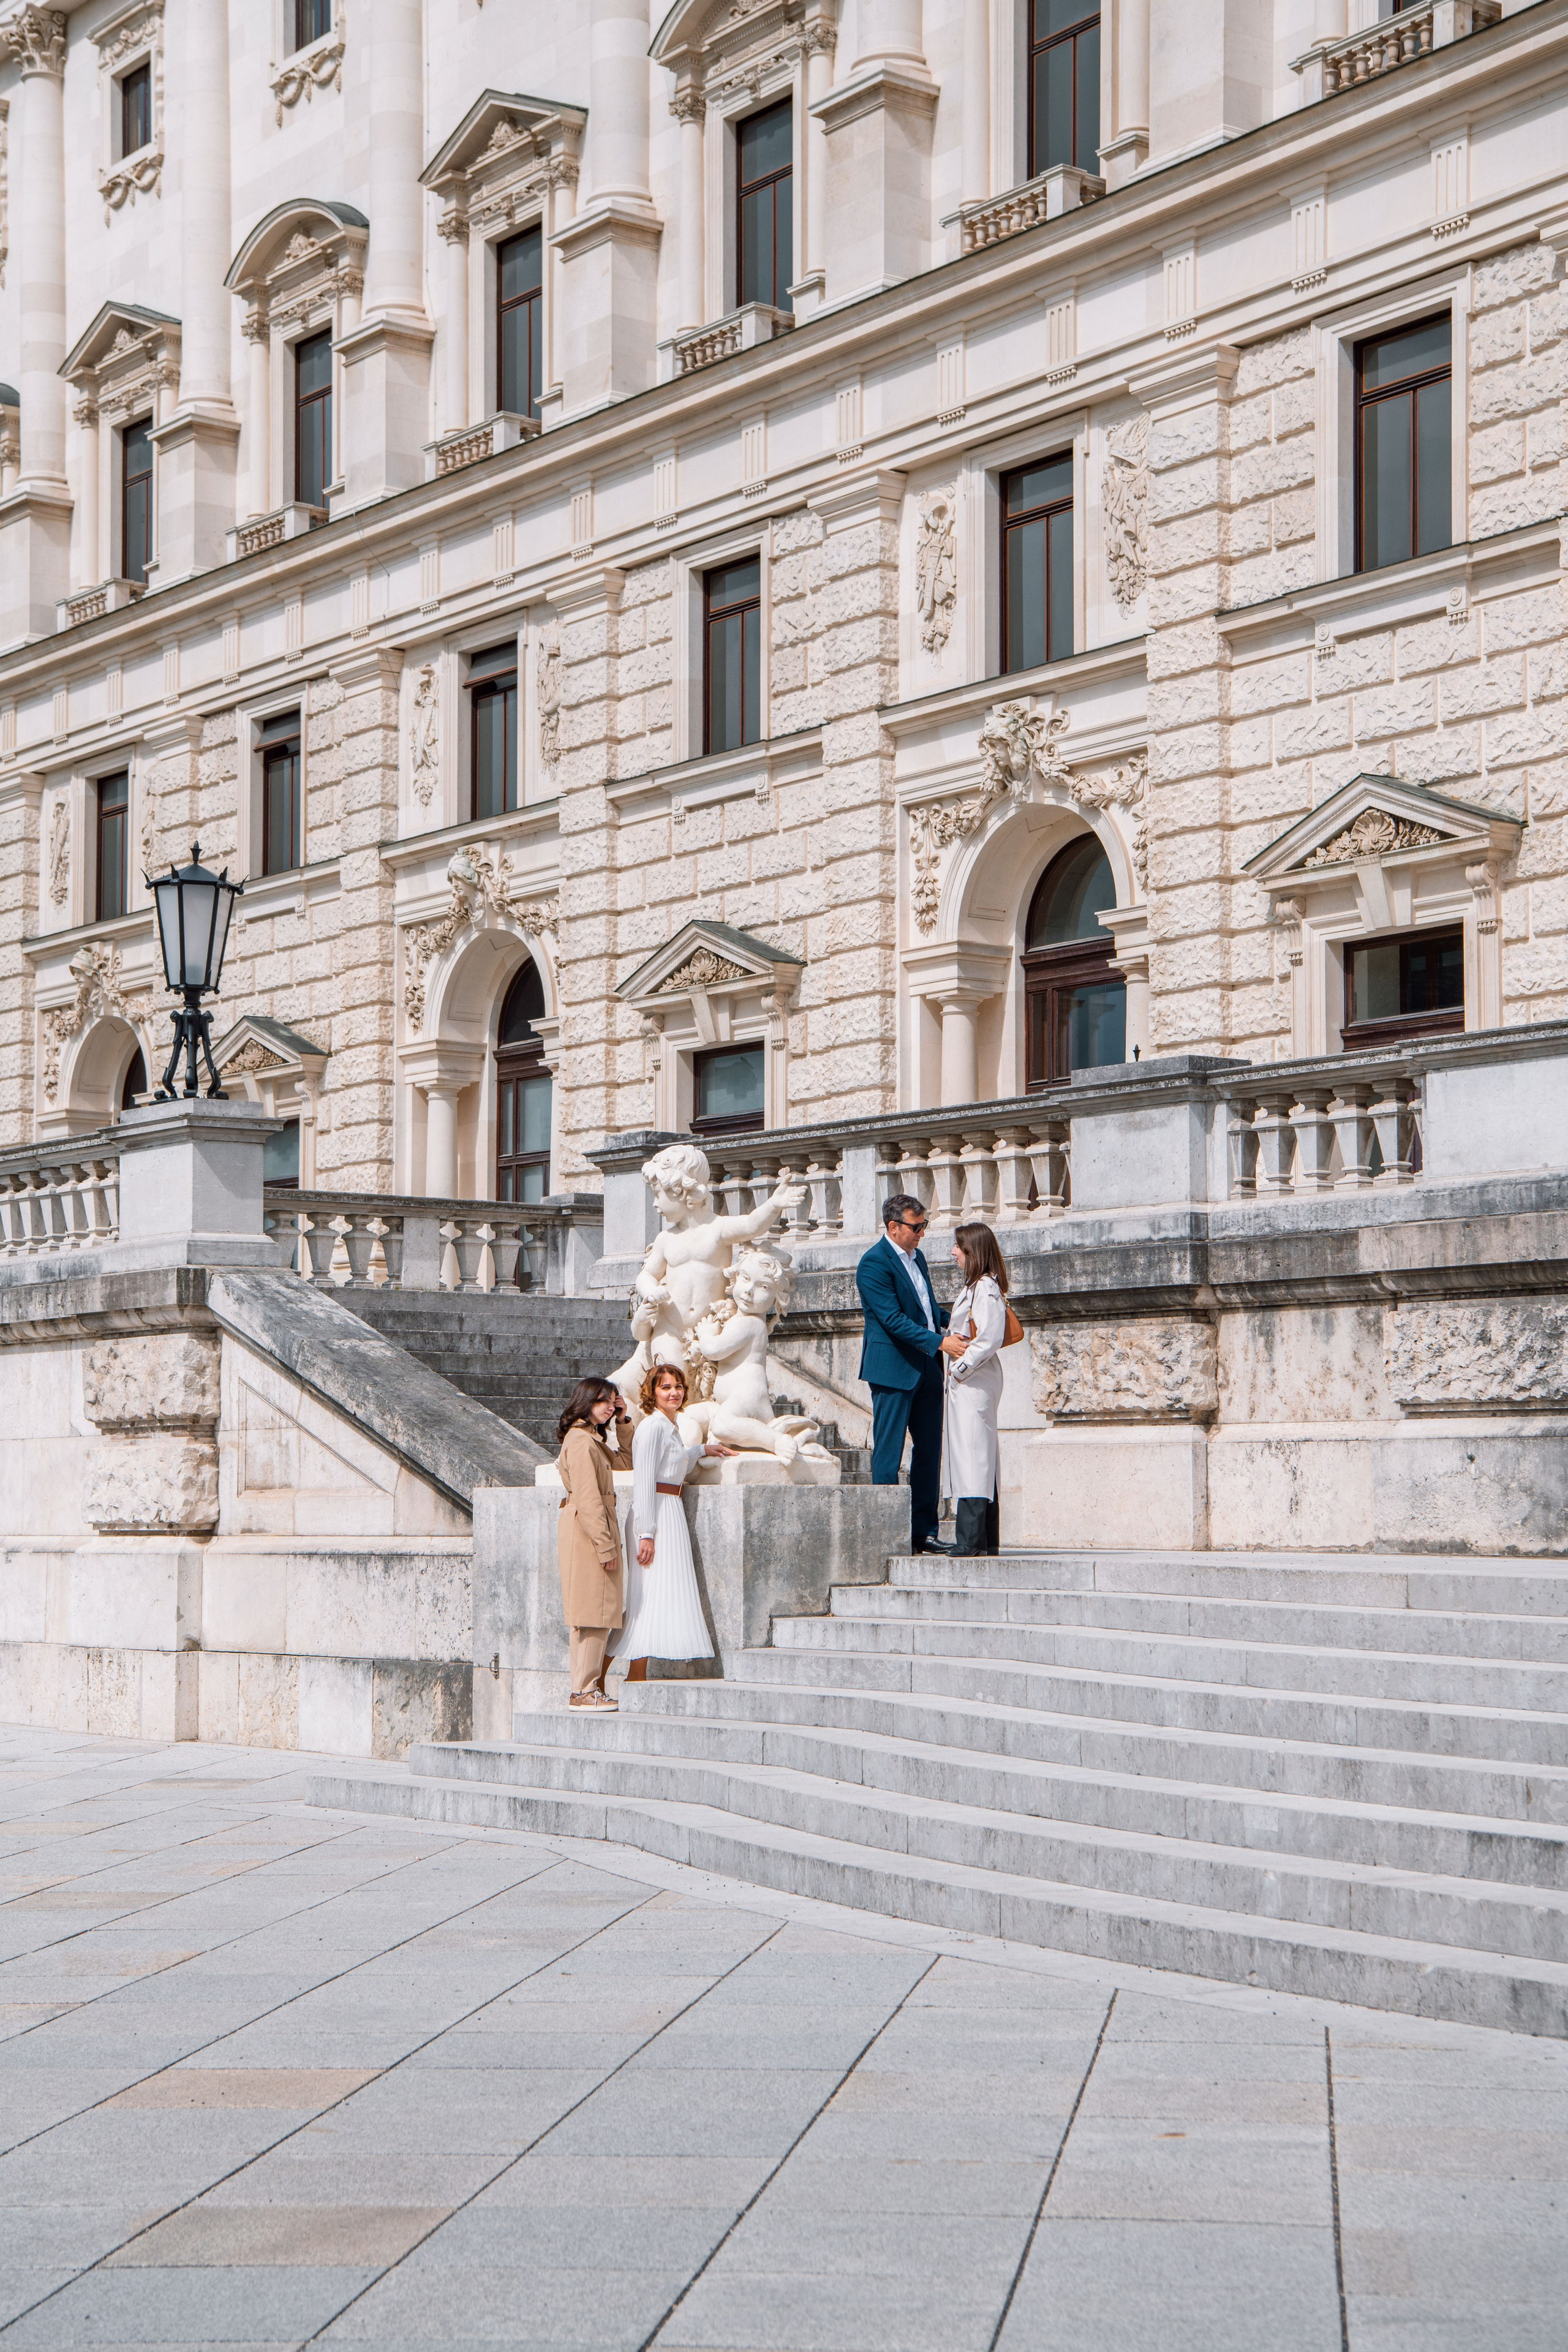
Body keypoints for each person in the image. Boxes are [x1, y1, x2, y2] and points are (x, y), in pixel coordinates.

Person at [612, 1363, 733, 1684]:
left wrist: (700, 1450)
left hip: (670, 1512)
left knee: (655, 1596)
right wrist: (646, 1533)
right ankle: (615, 1676)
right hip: (655, 1515)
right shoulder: (652, 1427)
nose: (674, 1393)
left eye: (678, 1386)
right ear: (652, 1392)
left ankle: (632, 1677)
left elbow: (673, 1465)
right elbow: (644, 1481)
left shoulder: (670, 1426)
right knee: (645, 1597)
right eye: (665, 1387)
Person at [856, 1193, 955, 1556]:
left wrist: (959, 1321)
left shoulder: (918, 1258)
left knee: (929, 1450)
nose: (922, 1233)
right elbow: (893, 1319)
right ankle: (886, 1534)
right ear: (894, 1227)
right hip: (893, 1368)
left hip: (928, 1365)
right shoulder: (873, 1263)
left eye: (924, 1225)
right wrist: (939, 1342)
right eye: (917, 1227)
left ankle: (924, 1533)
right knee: (889, 1452)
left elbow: (927, 1310)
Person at [554, 1376, 627, 1711]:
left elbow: (625, 1463)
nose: (610, 1407)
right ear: (586, 1402)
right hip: (589, 1531)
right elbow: (588, 1499)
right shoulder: (582, 1441)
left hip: (590, 1528)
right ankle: (584, 1690)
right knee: (593, 1610)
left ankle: (585, 1688)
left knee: (594, 1609)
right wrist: (605, 1546)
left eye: (613, 1401)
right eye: (603, 1401)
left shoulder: (590, 1438)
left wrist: (623, 1422)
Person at [940, 1222, 1009, 1555]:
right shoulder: (978, 1286)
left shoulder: (984, 1287)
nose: (953, 1252)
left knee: (973, 1455)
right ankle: (982, 1540)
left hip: (974, 1380)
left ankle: (970, 1540)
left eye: (958, 1246)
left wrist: (959, 1371)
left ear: (973, 1251)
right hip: (972, 1381)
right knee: (976, 1455)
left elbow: (989, 1338)